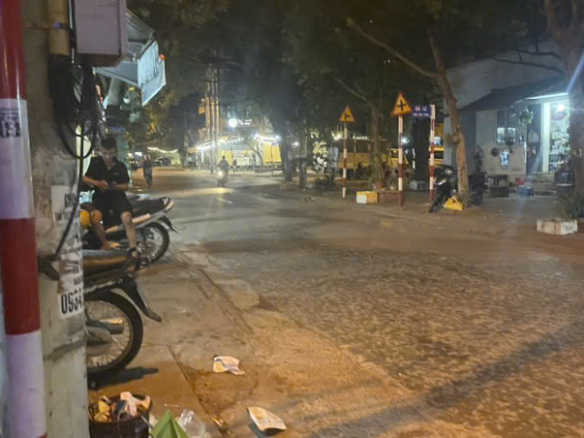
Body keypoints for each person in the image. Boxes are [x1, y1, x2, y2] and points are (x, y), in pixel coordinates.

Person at [83, 137, 137, 254]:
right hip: (100, 197)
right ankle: (105, 244)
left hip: (117, 197)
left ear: (115, 151)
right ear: (100, 151)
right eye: (104, 153)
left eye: (110, 153)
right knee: (94, 217)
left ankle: (133, 249)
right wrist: (97, 183)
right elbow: (83, 177)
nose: (107, 156)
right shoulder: (94, 163)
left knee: (127, 218)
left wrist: (115, 186)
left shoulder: (120, 166)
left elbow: (126, 186)